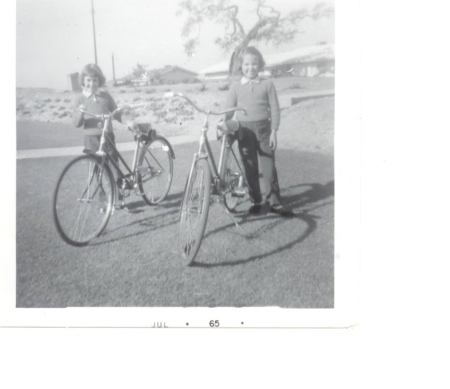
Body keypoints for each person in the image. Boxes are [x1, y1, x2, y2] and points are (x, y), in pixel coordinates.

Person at [224, 46, 294, 217]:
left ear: (260, 65)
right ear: (241, 66)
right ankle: (256, 201)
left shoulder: (267, 84)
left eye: (254, 64)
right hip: (244, 132)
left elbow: (275, 109)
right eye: (247, 64)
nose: (250, 68)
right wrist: (224, 124)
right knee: (250, 169)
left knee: (269, 170)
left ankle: (275, 203)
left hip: (264, 131)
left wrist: (274, 131)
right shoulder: (235, 87)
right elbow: (228, 110)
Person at [72, 63, 123, 206]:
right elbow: (76, 123)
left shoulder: (105, 96)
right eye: (88, 80)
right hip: (91, 139)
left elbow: (117, 112)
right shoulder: (79, 99)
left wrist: (128, 121)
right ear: (83, 81)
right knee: (97, 171)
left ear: (100, 81)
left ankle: (119, 198)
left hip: (108, 137)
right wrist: (80, 113)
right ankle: (104, 201)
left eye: (95, 80)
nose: (91, 84)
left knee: (114, 167)